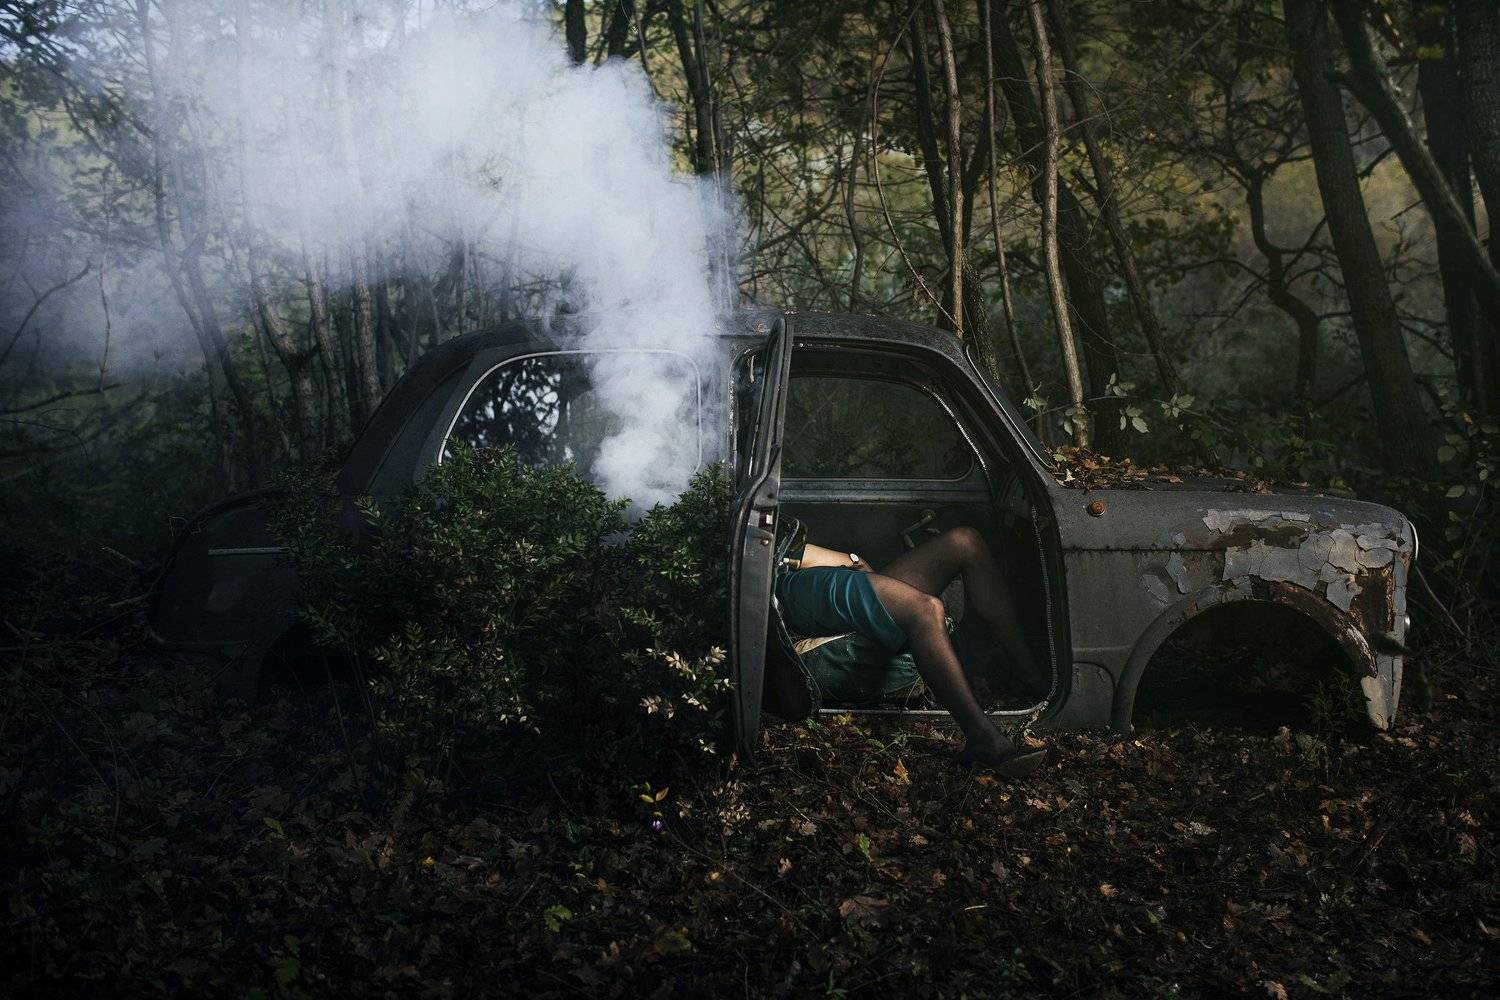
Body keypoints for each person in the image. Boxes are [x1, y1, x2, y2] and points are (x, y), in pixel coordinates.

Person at [774, 517, 1046, 777]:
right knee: (927, 609)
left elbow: (842, 559)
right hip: (790, 584)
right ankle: (982, 738)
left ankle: (1029, 673)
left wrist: (858, 566)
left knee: (965, 541)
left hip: (822, 573)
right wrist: (853, 562)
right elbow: (799, 555)